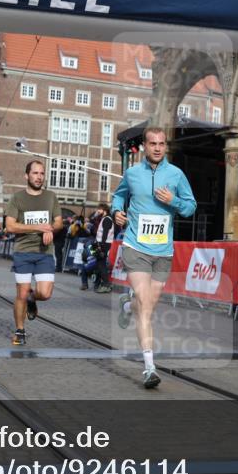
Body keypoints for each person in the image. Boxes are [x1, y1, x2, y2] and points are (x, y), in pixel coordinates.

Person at [111, 126, 196, 388]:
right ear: (145, 147)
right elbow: (119, 196)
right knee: (145, 307)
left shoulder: (176, 174)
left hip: (162, 252)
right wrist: (116, 212)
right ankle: (149, 368)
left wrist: (174, 201)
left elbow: (190, 206)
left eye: (161, 144)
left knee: (147, 305)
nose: (157, 148)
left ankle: (128, 306)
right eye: (152, 143)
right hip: (135, 247)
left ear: (165, 147)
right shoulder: (132, 173)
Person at [5, 160, 63, 346]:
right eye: (35, 173)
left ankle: (33, 298)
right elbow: (10, 226)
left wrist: (50, 229)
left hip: (45, 252)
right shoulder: (17, 198)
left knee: (45, 293)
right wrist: (38, 227)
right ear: (26, 175)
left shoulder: (51, 196)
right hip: (23, 251)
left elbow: (59, 222)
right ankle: (20, 331)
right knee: (21, 293)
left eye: (42, 174)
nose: (39, 177)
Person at [90, 203, 115, 293]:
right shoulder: (103, 219)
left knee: (101, 264)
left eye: (99, 210)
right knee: (98, 263)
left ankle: (106, 284)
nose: (97, 211)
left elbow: (105, 234)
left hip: (103, 243)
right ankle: (98, 283)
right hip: (98, 242)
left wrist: (101, 246)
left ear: (104, 210)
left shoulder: (107, 219)